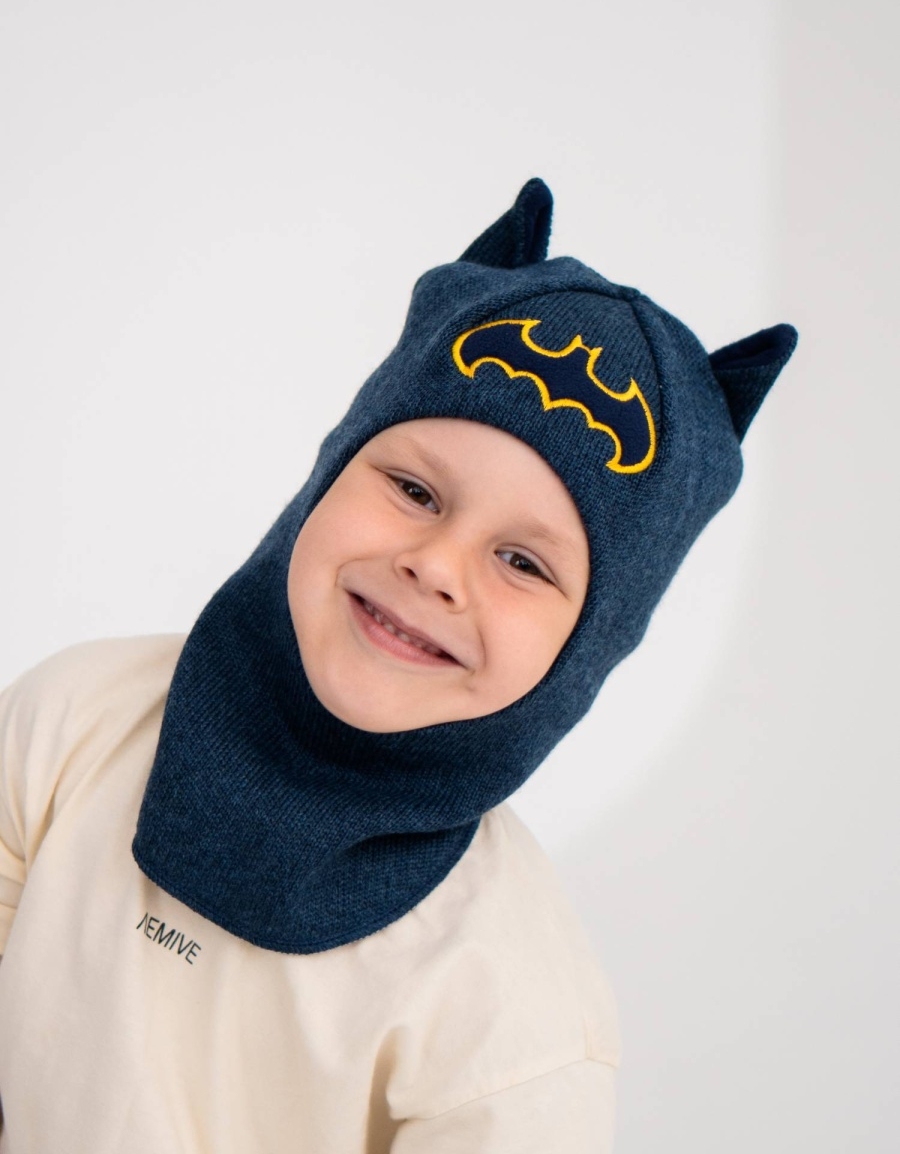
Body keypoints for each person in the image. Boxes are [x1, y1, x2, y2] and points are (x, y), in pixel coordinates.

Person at [0, 179, 796, 1152]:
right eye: (415, 490)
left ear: (589, 647)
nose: (437, 566)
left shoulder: (516, 1024)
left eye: (523, 562)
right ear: (328, 473)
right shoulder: (68, 723)